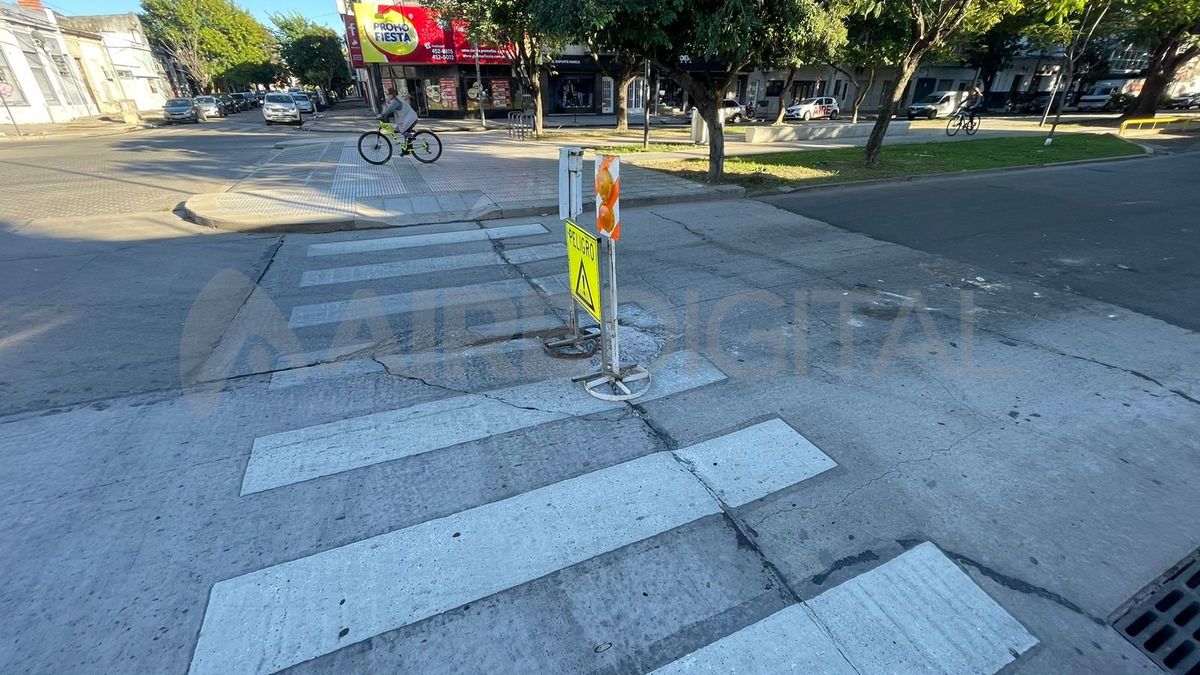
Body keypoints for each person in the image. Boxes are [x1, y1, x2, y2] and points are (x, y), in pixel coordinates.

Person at [378, 87, 418, 153]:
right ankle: (407, 148)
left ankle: (411, 140)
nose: (387, 96)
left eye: (388, 94)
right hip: (410, 118)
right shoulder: (396, 99)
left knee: (403, 131)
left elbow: (388, 110)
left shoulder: (396, 101)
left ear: (392, 94)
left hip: (410, 119)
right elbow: (389, 107)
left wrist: (380, 115)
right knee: (398, 130)